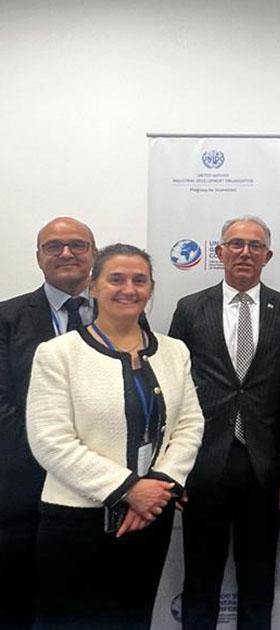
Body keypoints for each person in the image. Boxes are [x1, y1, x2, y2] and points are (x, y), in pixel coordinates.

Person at [25, 243, 204, 630]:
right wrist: (127, 489)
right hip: (76, 521)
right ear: (93, 286)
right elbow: (49, 440)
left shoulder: (175, 351)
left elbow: (190, 424)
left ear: (151, 288)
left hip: (147, 519)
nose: (129, 289)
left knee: (132, 620)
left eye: (139, 280)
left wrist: (158, 485)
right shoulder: (58, 353)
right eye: (116, 279)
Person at [170, 216, 280, 630]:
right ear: (219, 251)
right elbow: (175, 390)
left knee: (258, 581)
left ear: (268, 255)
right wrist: (173, 470)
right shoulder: (191, 308)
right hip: (204, 463)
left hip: (263, 468)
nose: (245, 252)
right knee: (200, 580)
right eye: (236, 244)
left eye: (255, 245)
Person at [0, 216, 96, 630]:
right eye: (53, 246)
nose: (66, 253)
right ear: (38, 257)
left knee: (87, 600)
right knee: (20, 600)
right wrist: (55, 453)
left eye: (77, 244)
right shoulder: (7, 317)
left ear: (93, 254)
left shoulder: (122, 316)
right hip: (25, 488)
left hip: (97, 488)